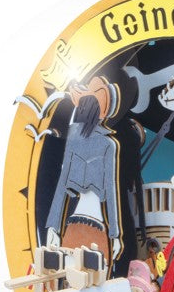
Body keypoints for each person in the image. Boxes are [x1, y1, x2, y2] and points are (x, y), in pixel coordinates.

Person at [46, 77, 122, 264]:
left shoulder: (74, 138)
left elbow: (62, 184)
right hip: (96, 226)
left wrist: (53, 227)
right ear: (103, 113)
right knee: (95, 280)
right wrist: (115, 235)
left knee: (70, 278)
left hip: (74, 226)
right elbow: (111, 191)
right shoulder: (108, 144)